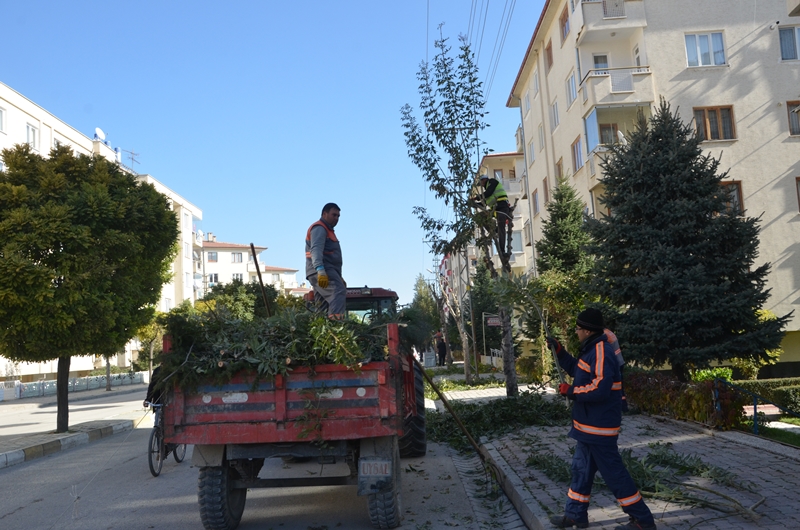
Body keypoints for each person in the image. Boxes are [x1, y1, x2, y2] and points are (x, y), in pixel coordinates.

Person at [546, 308, 656, 530]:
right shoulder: (591, 349)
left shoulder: (601, 351)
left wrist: (571, 391)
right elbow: (579, 371)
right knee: (581, 471)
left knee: (615, 475)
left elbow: (600, 388)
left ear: (587, 331)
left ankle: (643, 521)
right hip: (589, 428)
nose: (576, 332)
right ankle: (576, 515)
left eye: (578, 329)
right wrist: (559, 351)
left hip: (599, 428)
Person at [305, 203, 346, 319]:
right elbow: (316, 250)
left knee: (322, 303)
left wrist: (339, 277)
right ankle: (335, 326)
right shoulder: (320, 228)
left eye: (338, 216)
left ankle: (321, 327)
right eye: (334, 215)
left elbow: (332, 257)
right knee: (337, 292)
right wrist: (320, 270)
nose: (336, 218)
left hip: (319, 271)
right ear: (324, 214)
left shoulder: (328, 231)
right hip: (321, 270)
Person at [470, 174, 511, 255]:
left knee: (501, 229)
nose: (481, 185)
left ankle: (502, 251)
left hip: (502, 207)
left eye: (481, 182)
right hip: (495, 210)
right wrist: (473, 204)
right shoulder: (489, 191)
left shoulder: (492, 182)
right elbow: (484, 203)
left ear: (484, 180)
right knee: (480, 216)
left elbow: (488, 193)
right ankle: (494, 230)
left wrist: (476, 198)